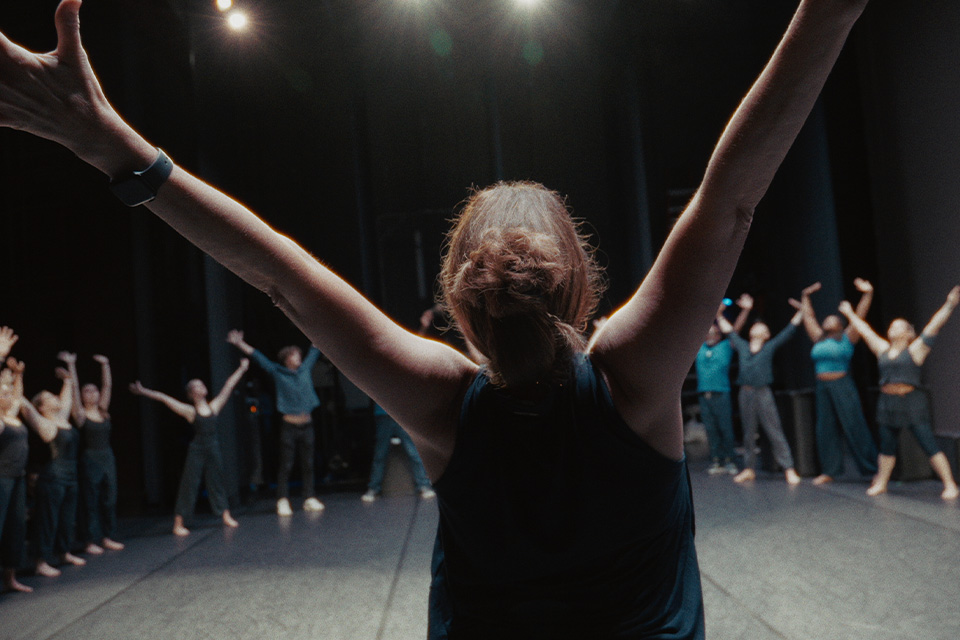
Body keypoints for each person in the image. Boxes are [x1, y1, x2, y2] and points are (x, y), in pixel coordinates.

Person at [0, 0, 873, 635]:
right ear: (582, 282)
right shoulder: (633, 376)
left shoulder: (439, 399)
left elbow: (277, 274)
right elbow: (730, 204)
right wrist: (827, 17)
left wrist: (113, 146)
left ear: (456, 297)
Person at [838, 287, 960, 499]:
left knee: (927, 442)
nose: (892, 329)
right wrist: (849, 313)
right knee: (887, 446)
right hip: (887, 403)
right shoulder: (882, 348)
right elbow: (864, 329)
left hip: (912, 402)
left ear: (907, 333)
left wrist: (950, 304)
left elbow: (934, 325)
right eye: (892, 326)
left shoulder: (915, 350)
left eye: (897, 327)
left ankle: (950, 484)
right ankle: (882, 483)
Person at [129, 359, 249, 536]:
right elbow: (165, 398)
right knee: (189, 484)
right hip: (197, 449)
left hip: (212, 446)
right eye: (197, 386)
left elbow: (228, 386)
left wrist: (241, 368)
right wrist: (143, 391)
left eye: (202, 385)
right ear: (192, 393)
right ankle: (178, 522)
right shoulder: (190, 411)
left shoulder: (213, 406)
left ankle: (225, 514)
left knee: (217, 481)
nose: (202, 387)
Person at [226, 331, 324, 516]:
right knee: (286, 465)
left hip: (307, 425)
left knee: (308, 463)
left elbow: (315, 349)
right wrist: (240, 344)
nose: (299, 358)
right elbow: (259, 358)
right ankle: (282, 499)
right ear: (287, 359)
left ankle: (309, 497)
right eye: (295, 356)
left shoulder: (304, 369)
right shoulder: (278, 372)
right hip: (289, 426)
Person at [799, 279, 879, 485]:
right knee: (825, 428)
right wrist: (806, 296)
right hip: (822, 386)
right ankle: (830, 470)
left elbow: (860, 316)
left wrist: (867, 294)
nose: (828, 320)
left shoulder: (847, 337)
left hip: (842, 384)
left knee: (854, 425)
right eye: (826, 319)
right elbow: (808, 316)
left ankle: (873, 468)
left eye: (833, 319)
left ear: (840, 325)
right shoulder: (818, 338)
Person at [717, 294, 803, 484]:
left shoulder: (769, 347)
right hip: (745, 392)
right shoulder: (743, 346)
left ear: (766, 334)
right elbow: (729, 331)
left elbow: (789, 331)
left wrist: (801, 311)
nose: (758, 326)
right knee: (748, 432)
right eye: (755, 326)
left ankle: (789, 468)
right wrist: (720, 314)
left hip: (763, 392)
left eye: (762, 327)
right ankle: (749, 469)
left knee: (774, 430)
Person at [19, 358, 83, 578]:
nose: (55, 397)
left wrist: (67, 379)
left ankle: (64, 552)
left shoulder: (62, 417)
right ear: (42, 407)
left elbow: (67, 394)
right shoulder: (46, 424)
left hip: (71, 476)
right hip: (53, 478)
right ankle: (40, 561)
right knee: (48, 521)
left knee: (66, 518)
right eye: (49, 397)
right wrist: (15, 379)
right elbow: (25, 405)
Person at [61, 353, 124, 554]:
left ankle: (107, 536)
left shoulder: (104, 411)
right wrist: (71, 365)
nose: (92, 393)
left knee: (109, 498)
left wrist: (105, 365)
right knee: (90, 500)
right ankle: (89, 541)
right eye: (87, 391)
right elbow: (73, 391)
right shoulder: (80, 415)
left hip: (108, 457)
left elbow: (108, 386)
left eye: (94, 390)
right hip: (90, 459)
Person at [695, 299, 749, 475]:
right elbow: (693, 329)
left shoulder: (725, 347)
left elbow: (735, 331)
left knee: (725, 428)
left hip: (721, 393)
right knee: (711, 429)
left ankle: (730, 460)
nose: (710, 335)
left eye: (714, 333)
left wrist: (745, 311)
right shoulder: (699, 348)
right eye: (708, 333)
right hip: (705, 394)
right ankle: (717, 461)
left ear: (719, 335)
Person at [0, 328, 32, 592]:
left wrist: (18, 375)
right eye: (2, 389)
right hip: (1, 479)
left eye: (8, 389)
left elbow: (18, 396)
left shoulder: (13, 414)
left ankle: (10, 578)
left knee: (15, 529)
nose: (7, 391)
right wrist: (0, 355)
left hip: (18, 478)